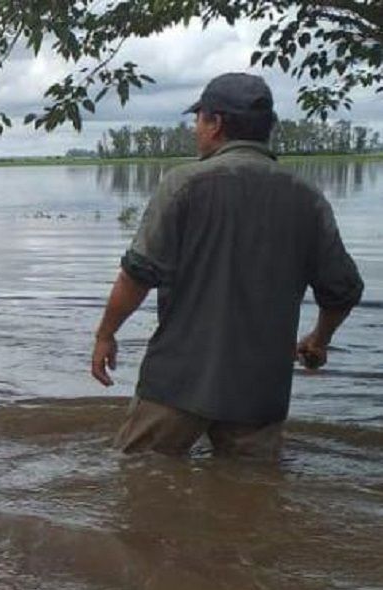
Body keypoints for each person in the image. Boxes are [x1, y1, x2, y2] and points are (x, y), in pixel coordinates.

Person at [90, 73, 363, 459]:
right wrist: (319, 340)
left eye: (198, 120)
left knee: (139, 478)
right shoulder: (307, 197)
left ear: (215, 123)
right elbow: (343, 290)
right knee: (251, 499)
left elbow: (138, 274)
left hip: (178, 382)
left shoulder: (184, 184)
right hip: (260, 392)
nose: (195, 130)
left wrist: (105, 334)